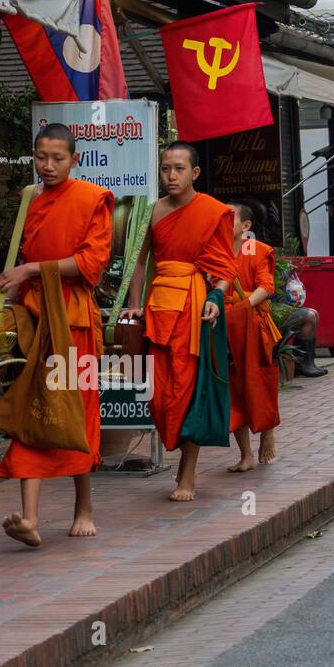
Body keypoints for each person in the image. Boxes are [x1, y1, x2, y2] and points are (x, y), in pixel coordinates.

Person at [0, 123, 114, 548]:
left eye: (57, 158)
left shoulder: (90, 199)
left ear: (75, 159)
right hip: (34, 315)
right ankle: (29, 517)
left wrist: (30, 270)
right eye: (41, 157)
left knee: (75, 409)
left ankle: (84, 506)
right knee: (32, 410)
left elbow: (90, 264)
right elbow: (30, 253)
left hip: (74, 319)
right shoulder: (32, 199)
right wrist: (17, 282)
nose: (47, 166)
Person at [123, 142, 235, 501]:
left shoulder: (212, 212)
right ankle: (181, 463)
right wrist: (135, 305)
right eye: (166, 168)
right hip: (158, 309)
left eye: (179, 169)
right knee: (159, 395)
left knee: (188, 392)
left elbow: (224, 270)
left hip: (193, 309)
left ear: (195, 173)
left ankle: (187, 476)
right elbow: (139, 264)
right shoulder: (153, 212)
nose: (171, 175)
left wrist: (216, 298)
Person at [224, 203, 281, 472]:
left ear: (246, 226)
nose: (223, 221)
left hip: (254, 326)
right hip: (226, 326)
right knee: (233, 388)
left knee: (259, 383)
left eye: (230, 217)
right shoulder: (216, 252)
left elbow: (266, 286)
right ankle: (245, 454)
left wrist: (244, 306)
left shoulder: (256, 250)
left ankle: (267, 428)